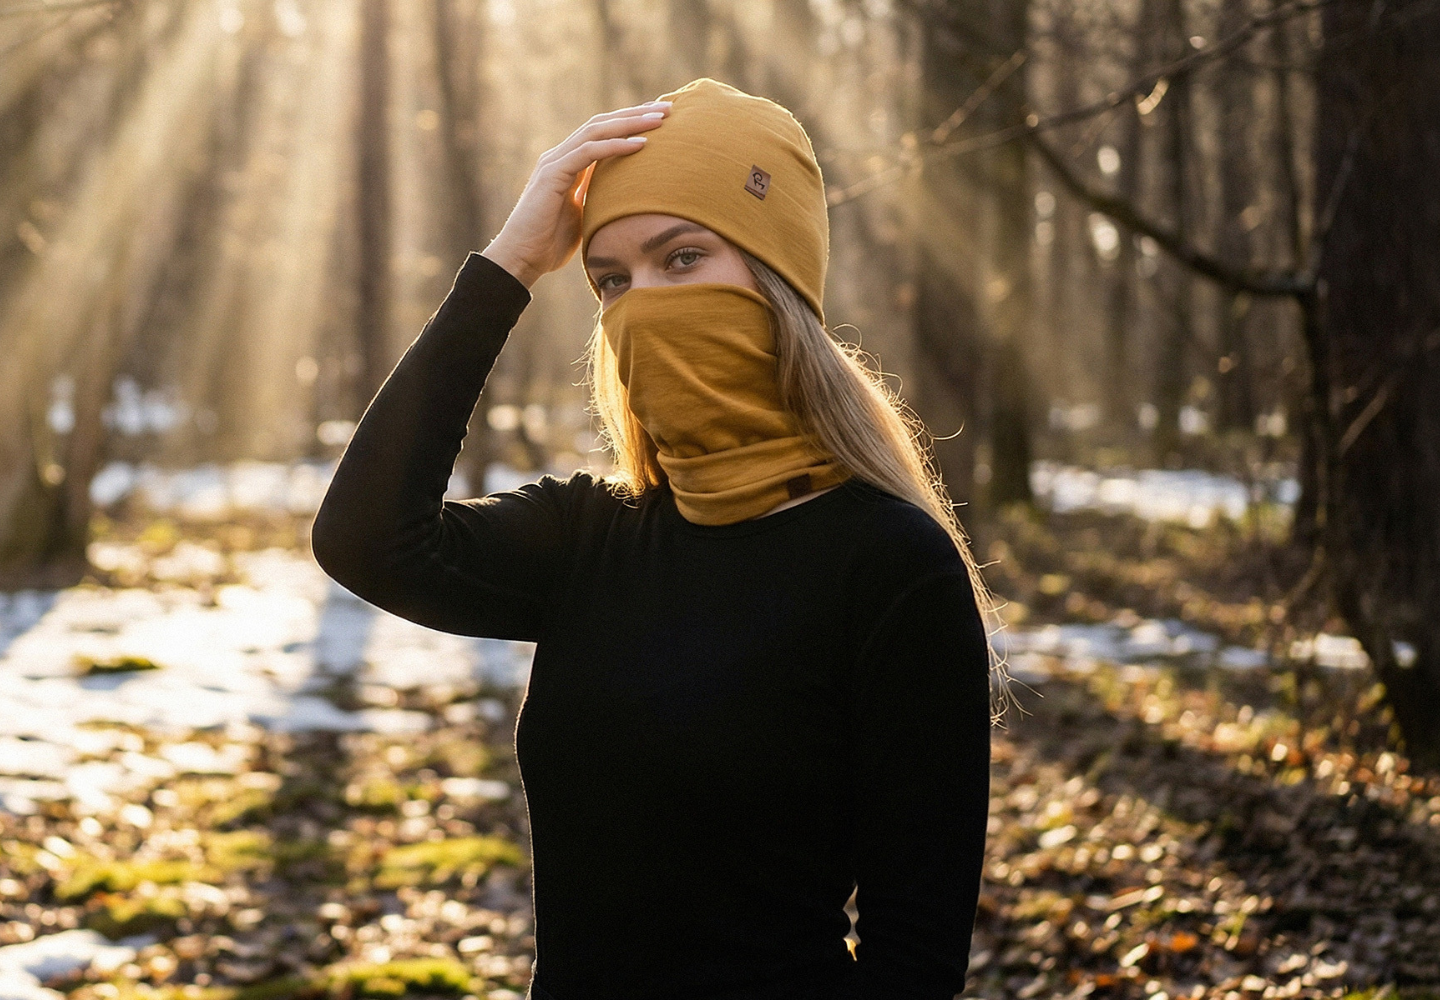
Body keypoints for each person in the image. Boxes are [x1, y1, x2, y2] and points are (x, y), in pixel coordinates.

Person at [312, 78, 994, 1000]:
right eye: (611, 280)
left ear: (775, 279)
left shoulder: (889, 566)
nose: (641, 304)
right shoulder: (591, 536)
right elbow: (367, 540)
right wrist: (511, 265)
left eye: (682, 257)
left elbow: (916, 956)